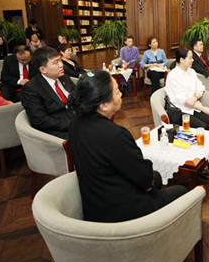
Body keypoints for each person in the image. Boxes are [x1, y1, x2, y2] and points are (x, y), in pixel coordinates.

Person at [68, 70, 187, 222]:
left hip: (96, 201)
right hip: (122, 212)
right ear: (104, 105)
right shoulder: (114, 135)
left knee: (156, 176)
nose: (121, 95)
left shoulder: (75, 124)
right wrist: (148, 182)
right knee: (181, 191)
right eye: (117, 91)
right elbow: (143, 177)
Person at [21, 47, 75, 140]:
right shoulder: (31, 88)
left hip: (77, 120)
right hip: (58, 130)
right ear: (43, 69)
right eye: (56, 62)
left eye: (60, 60)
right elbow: (40, 120)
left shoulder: (64, 78)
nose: (61, 65)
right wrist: (73, 124)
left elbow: (79, 98)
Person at [165, 47, 209, 132]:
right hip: (181, 110)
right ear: (182, 60)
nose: (193, 60)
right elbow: (182, 100)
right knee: (202, 127)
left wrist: (195, 97)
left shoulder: (191, 72)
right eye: (190, 58)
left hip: (194, 107)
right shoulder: (173, 76)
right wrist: (202, 108)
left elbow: (200, 87)